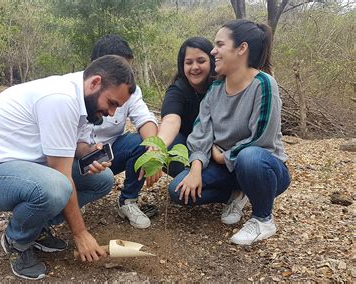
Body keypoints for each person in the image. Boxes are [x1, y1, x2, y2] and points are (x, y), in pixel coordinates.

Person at [0, 55, 136, 280]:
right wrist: (80, 233)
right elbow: (61, 173)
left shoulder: (82, 96)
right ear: (95, 83)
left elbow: (78, 146)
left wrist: (89, 152)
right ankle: (16, 240)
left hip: (26, 165)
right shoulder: (60, 98)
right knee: (56, 187)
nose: (112, 113)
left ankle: (36, 228)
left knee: (102, 180)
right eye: (111, 103)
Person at [169, 19, 291, 245]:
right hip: (228, 169)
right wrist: (195, 168)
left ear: (241, 48)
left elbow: (260, 138)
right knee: (178, 190)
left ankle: (263, 219)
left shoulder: (264, 84)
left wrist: (220, 156)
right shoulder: (215, 88)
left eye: (219, 44)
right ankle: (236, 193)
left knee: (249, 156)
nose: (213, 50)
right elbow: (201, 132)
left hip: (264, 167)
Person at [77, 35, 159, 229]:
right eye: (119, 68)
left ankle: (128, 201)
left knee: (142, 142)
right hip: (73, 158)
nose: (125, 76)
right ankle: (75, 196)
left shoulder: (130, 90)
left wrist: (154, 150)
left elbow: (144, 118)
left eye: (128, 70)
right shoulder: (73, 91)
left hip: (108, 155)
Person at [158, 37, 216, 177]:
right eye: (189, 62)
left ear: (212, 61)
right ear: (182, 66)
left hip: (218, 150)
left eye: (201, 61)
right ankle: (192, 178)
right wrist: (157, 149)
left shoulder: (221, 87)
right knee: (170, 146)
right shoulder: (177, 90)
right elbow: (171, 120)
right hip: (190, 150)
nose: (195, 67)